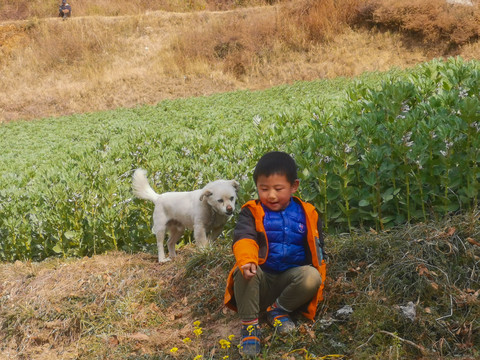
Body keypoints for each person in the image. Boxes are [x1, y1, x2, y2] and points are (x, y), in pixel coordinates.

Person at [224, 151, 327, 357]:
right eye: (264, 189)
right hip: (260, 281)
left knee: (311, 277)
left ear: (294, 186)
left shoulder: (308, 213)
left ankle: (278, 310)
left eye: (278, 189)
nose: (271, 195)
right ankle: (250, 326)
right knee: (243, 270)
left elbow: (319, 249)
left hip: (290, 282)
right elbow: (245, 238)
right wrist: (247, 260)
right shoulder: (251, 211)